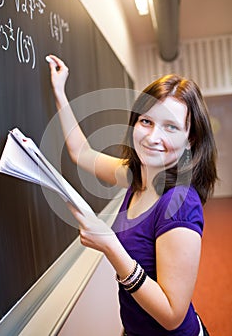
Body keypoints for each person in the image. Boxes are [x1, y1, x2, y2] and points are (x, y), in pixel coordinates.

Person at [47, 55, 217, 335]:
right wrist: (59, 93)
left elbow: (173, 315)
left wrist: (110, 246)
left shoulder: (181, 204)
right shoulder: (135, 176)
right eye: (146, 121)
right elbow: (82, 153)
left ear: (191, 139)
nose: (152, 137)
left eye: (171, 126)